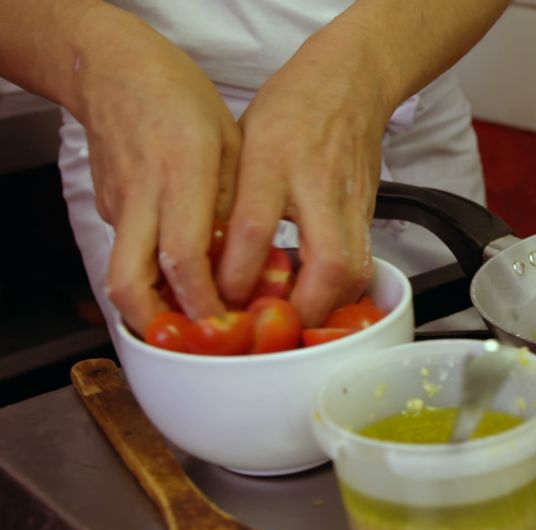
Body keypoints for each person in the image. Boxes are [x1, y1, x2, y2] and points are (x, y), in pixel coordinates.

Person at [0, 0, 508, 339]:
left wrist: (367, 72)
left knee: (445, 405)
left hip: (398, 78)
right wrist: (95, 60)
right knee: (209, 431)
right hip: (138, 114)